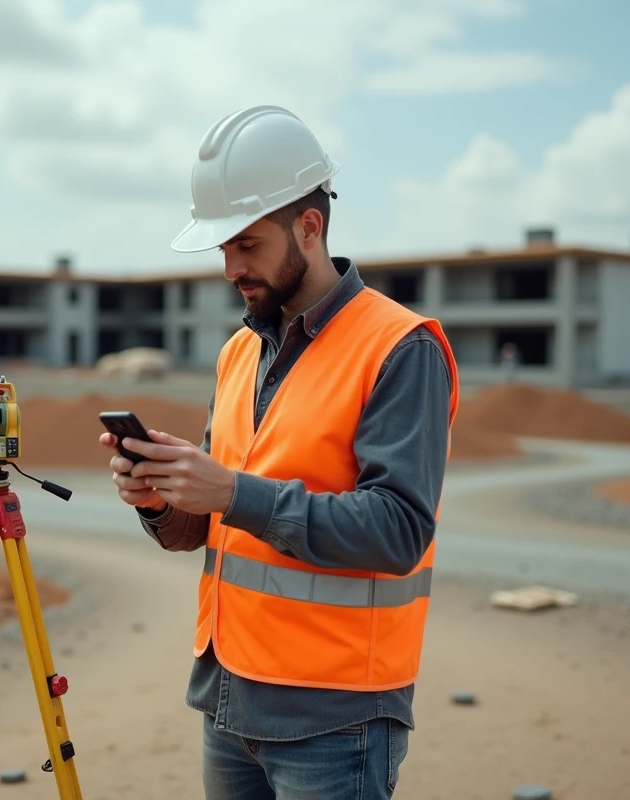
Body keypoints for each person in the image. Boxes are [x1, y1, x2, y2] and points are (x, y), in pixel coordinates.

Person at [99, 105, 460, 799]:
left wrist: (234, 492)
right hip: (230, 701)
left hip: (335, 717)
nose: (231, 267)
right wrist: (161, 498)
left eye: (247, 245)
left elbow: (398, 531)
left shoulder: (400, 347)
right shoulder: (240, 352)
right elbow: (202, 529)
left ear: (309, 226)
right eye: (222, 249)